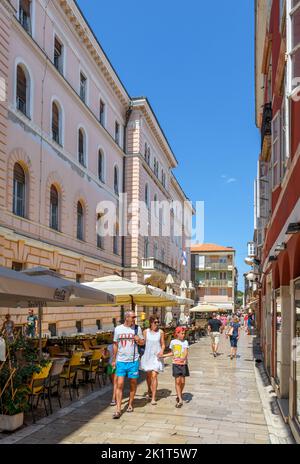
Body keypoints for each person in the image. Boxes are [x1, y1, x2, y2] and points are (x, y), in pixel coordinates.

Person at [111, 311, 145, 419]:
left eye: (135, 317)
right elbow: (115, 344)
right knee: (119, 384)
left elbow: (143, 343)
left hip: (133, 360)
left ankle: (130, 404)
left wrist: (138, 339)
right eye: (133, 317)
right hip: (121, 361)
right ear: (127, 317)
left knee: (133, 383)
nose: (135, 318)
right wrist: (114, 359)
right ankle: (118, 409)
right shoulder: (118, 329)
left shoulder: (137, 329)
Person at [162, 326, 189, 408]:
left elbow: (185, 352)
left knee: (183, 382)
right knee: (177, 381)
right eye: (182, 333)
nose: (183, 335)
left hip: (183, 364)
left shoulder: (185, 342)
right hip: (176, 364)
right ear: (177, 334)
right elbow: (172, 353)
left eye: (184, 333)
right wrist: (163, 355)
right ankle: (180, 399)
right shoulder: (173, 342)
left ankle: (179, 394)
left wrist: (183, 358)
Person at [140, 316, 165, 405]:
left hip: (157, 357)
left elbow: (163, 344)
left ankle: (153, 398)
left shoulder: (161, 332)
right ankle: (149, 390)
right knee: (149, 376)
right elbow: (142, 343)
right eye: (155, 322)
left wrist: (162, 351)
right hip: (148, 356)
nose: (157, 324)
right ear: (151, 323)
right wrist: (138, 340)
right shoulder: (145, 332)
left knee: (154, 376)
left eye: (158, 322)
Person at [106, 340, 117, 406]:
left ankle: (114, 398)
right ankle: (115, 397)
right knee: (115, 383)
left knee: (114, 383)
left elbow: (105, 356)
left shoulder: (109, 346)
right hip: (114, 365)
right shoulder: (121, 346)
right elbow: (105, 356)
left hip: (111, 365)